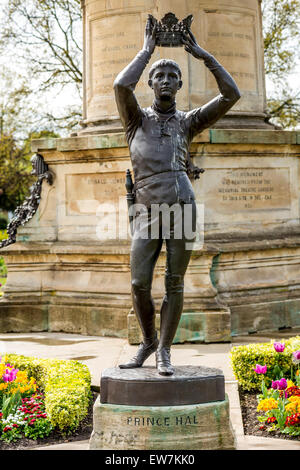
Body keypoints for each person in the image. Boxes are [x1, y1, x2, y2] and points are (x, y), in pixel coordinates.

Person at [113, 16, 240, 375]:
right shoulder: (136, 120)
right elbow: (121, 84)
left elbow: (232, 95)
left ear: (179, 84)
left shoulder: (188, 121)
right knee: (139, 282)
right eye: (159, 76)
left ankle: (165, 351)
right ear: (151, 84)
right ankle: (148, 341)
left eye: (171, 76)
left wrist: (203, 56)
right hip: (146, 209)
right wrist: (147, 50)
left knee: (174, 281)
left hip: (182, 205)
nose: (165, 80)